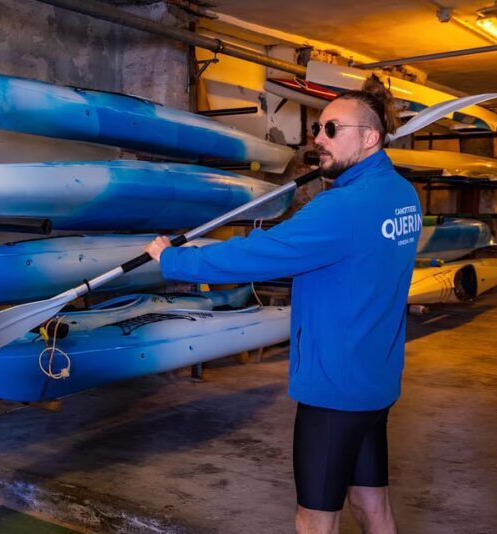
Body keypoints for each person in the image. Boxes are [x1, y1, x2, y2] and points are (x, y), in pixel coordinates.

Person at [146, 78, 421, 534]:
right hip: (376, 380)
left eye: (332, 129)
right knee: (373, 505)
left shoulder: (342, 208)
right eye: (318, 127)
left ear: (370, 137)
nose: (318, 139)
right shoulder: (401, 195)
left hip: (335, 387)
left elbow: (255, 255)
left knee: (313, 520)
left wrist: (174, 258)